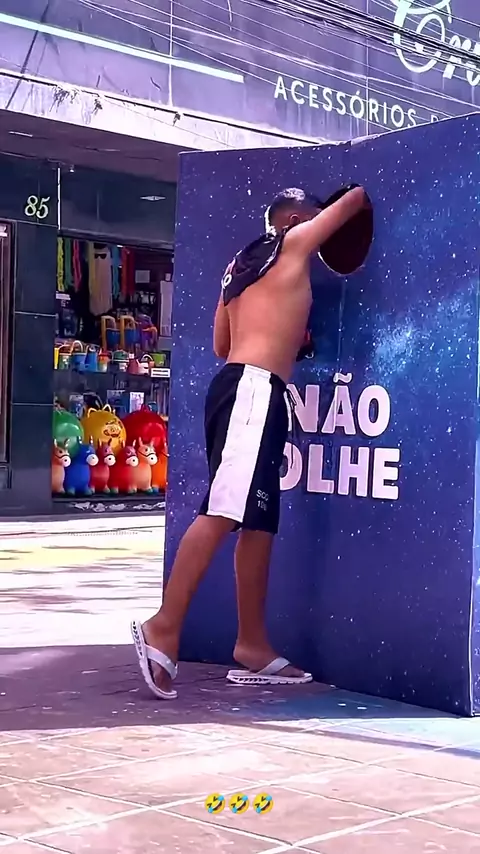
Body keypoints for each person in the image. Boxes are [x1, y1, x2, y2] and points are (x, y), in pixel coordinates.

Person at [131, 184, 370, 699]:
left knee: (257, 522)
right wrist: (346, 200)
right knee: (223, 510)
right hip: (254, 390)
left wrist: (278, 329)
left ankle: (252, 644)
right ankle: (163, 626)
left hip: (240, 385)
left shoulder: (238, 268)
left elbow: (221, 343)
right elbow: (354, 202)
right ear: (295, 221)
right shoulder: (294, 243)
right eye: (311, 218)